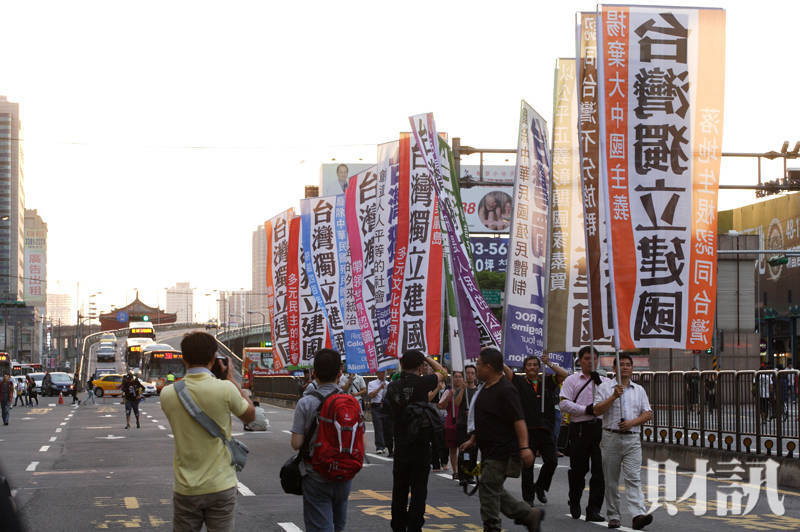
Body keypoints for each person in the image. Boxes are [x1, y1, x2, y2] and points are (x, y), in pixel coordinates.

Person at [161, 331, 255, 532]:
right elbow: (250, 416)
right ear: (214, 357)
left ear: (184, 359)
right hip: (221, 485)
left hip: (186, 487)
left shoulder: (168, 394)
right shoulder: (225, 389)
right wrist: (232, 379)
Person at [459, 348, 544, 531]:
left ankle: (492, 527)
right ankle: (528, 514)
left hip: (503, 451)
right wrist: (473, 439)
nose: (476, 367)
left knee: (488, 489)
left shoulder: (506, 390)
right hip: (488, 450)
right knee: (491, 488)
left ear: (489, 367)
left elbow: (518, 420)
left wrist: (524, 447)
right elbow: (487, 419)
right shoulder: (485, 388)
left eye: (479, 364)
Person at [291, 348, 359, 532]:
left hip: (316, 475)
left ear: (314, 374)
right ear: (340, 374)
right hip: (344, 474)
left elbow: (296, 443)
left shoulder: (305, 403)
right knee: (338, 526)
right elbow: (360, 442)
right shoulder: (351, 402)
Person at [384, 350, 447, 532]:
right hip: (421, 445)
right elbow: (442, 372)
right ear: (420, 366)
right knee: (419, 489)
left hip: (401, 444)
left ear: (402, 365)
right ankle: (414, 526)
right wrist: (426, 357)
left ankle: (398, 525)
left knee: (400, 489)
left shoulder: (392, 386)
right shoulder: (423, 382)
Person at [592, 354, 654, 530]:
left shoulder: (639, 390)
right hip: (611, 437)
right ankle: (613, 515)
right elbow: (596, 410)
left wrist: (631, 423)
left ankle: (638, 515)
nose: (625, 367)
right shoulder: (605, 387)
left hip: (632, 438)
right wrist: (613, 397)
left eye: (628, 365)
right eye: (621, 365)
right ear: (614, 369)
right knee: (611, 480)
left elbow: (647, 413)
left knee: (633, 477)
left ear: (632, 368)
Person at [504, 353, 567, 506]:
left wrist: (549, 363)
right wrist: (496, 356)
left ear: (539, 367)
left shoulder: (547, 381)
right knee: (528, 465)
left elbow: (564, 375)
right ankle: (528, 498)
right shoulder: (519, 382)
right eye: (529, 365)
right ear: (524, 368)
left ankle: (540, 486)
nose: (532, 367)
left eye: (535, 365)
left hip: (545, 429)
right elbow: (506, 371)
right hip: (527, 430)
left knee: (552, 461)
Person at [559, 345, 607, 521]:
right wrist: (586, 409)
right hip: (579, 428)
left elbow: (610, 402)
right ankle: (574, 500)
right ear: (580, 360)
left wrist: (601, 384)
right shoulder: (571, 380)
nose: (590, 362)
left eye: (594, 358)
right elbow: (564, 403)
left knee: (599, 471)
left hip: (600, 428)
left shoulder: (604, 380)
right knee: (579, 470)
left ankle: (594, 509)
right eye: (587, 358)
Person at [438, 371, 468, 479]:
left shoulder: (467, 391)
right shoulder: (448, 391)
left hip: (464, 423)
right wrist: (449, 396)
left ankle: (465, 471)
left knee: (464, 449)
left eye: (460, 377)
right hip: (451, 422)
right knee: (453, 449)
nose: (458, 379)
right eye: (455, 377)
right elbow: (441, 406)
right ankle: (455, 471)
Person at [367, 369, 390, 455]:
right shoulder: (372, 383)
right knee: (378, 427)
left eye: (384, 372)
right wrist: (380, 388)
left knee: (386, 427)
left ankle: (386, 445)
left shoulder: (388, 384)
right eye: (381, 372)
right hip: (376, 406)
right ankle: (379, 446)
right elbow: (371, 395)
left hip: (386, 407)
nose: (383, 374)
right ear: (377, 373)